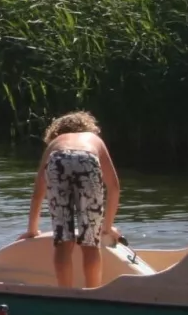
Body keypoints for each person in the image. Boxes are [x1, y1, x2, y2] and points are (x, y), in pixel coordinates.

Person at [23, 112, 121, 289]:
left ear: (56, 131)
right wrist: (106, 227)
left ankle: (65, 294)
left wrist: (32, 229)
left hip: (58, 160)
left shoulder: (56, 142)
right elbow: (113, 187)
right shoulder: (93, 139)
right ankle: (92, 293)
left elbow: (38, 191)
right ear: (88, 127)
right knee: (91, 241)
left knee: (63, 241)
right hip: (87, 159)